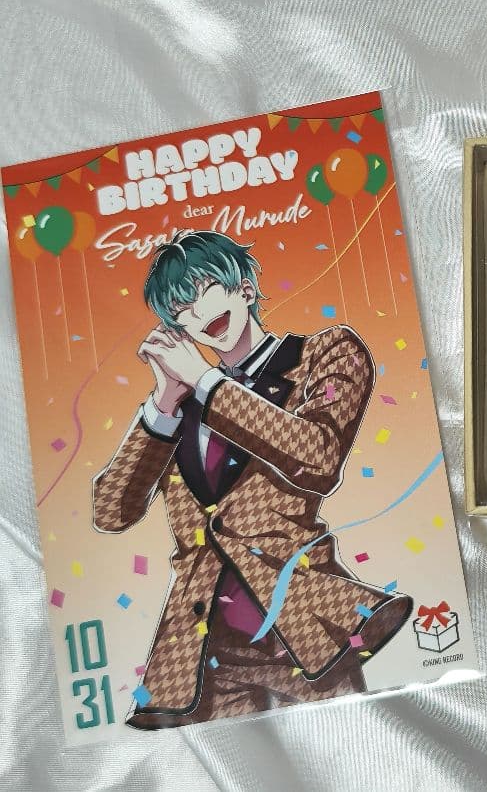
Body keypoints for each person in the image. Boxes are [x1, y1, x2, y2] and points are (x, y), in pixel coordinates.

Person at [92, 229, 412, 729]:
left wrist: (205, 382)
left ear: (244, 288)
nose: (198, 314)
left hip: (303, 630)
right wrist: (164, 402)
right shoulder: (182, 405)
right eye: (181, 310)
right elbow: (111, 513)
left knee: (351, 743)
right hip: (202, 653)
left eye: (205, 292)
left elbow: (318, 458)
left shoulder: (325, 353)